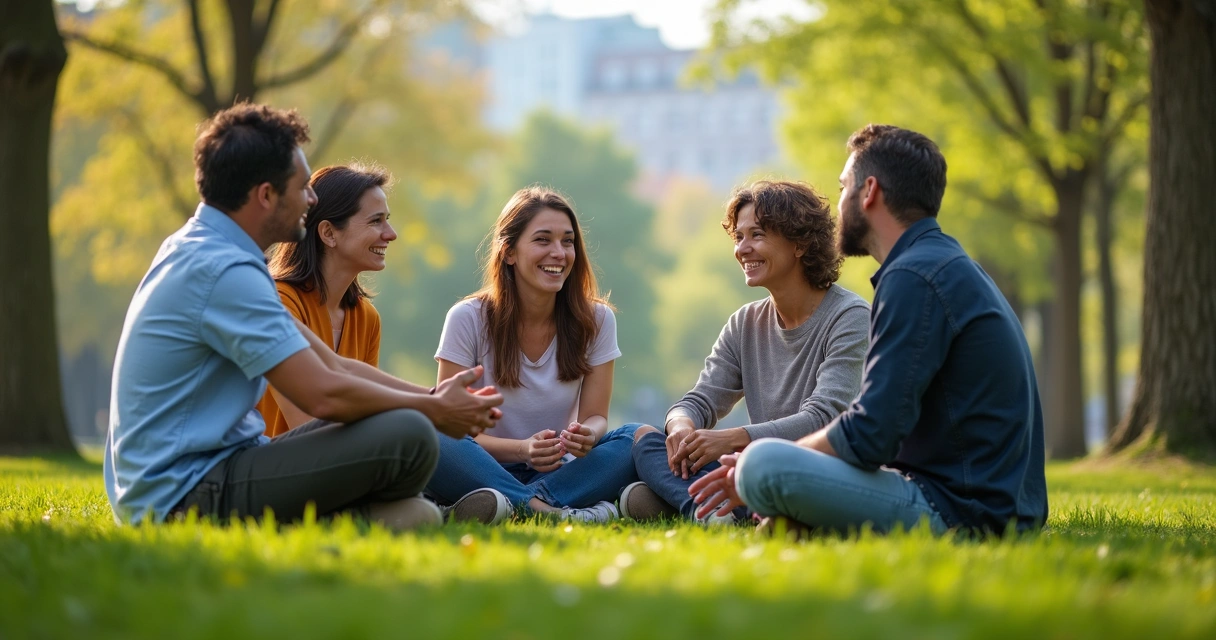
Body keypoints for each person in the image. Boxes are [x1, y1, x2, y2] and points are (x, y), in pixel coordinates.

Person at [103, 103, 503, 529]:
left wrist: (431, 400)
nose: (311, 200)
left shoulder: (208, 251)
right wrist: (432, 411)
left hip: (207, 474)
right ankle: (370, 514)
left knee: (413, 483)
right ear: (266, 195)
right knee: (412, 435)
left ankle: (384, 515)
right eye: (302, 187)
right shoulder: (223, 271)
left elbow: (333, 364)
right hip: (183, 494)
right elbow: (322, 396)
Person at [690, 124, 1048, 536]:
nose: (839, 202)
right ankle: (798, 523)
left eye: (844, 187)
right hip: (994, 505)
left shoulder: (915, 276)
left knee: (761, 464)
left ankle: (789, 514)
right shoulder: (940, 263)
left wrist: (766, 456)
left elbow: (871, 432)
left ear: (869, 192)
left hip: (961, 512)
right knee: (766, 462)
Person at [619, 180, 870, 524]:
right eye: (739, 237)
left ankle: (706, 505)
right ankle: (720, 513)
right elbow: (701, 399)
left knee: (643, 496)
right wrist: (680, 427)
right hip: (751, 465)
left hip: (819, 468)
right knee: (648, 443)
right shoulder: (745, 322)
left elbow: (825, 418)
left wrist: (734, 440)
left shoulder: (850, 317)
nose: (742, 249)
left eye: (757, 235)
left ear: (799, 243)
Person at [423, 187, 638, 525]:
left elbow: (596, 416)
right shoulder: (467, 318)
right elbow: (452, 425)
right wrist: (522, 450)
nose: (559, 253)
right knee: (429, 431)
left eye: (567, 242)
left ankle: (509, 504)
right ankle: (553, 512)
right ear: (508, 252)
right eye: (543, 240)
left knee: (634, 439)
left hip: (559, 471)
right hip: (482, 464)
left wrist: (588, 436)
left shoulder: (597, 320)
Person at [257, 163, 397, 437]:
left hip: (347, 462)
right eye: (375, 221)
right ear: (329, 233)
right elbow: (307, 424)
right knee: (429, 429)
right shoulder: (278, 302)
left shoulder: (366, 318)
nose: (391, 233)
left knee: (434, 430)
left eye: (387, 219)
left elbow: (370, 409)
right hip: (280, 467)